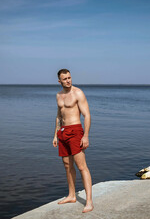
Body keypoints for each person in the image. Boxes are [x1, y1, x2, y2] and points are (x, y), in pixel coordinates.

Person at [52, 69, 94, 213]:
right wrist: (55, 135)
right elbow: (59, 115)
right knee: (67, 166)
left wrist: (86, 136)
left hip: (75, 131)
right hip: (62, 133)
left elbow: (87, 115)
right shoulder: (58, 95)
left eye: (69, 78)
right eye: (65, 79)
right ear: (60, 81)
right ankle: (71, 195)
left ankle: (89, 201)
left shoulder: (78, 93)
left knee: (81, 166)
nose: (68, 80)